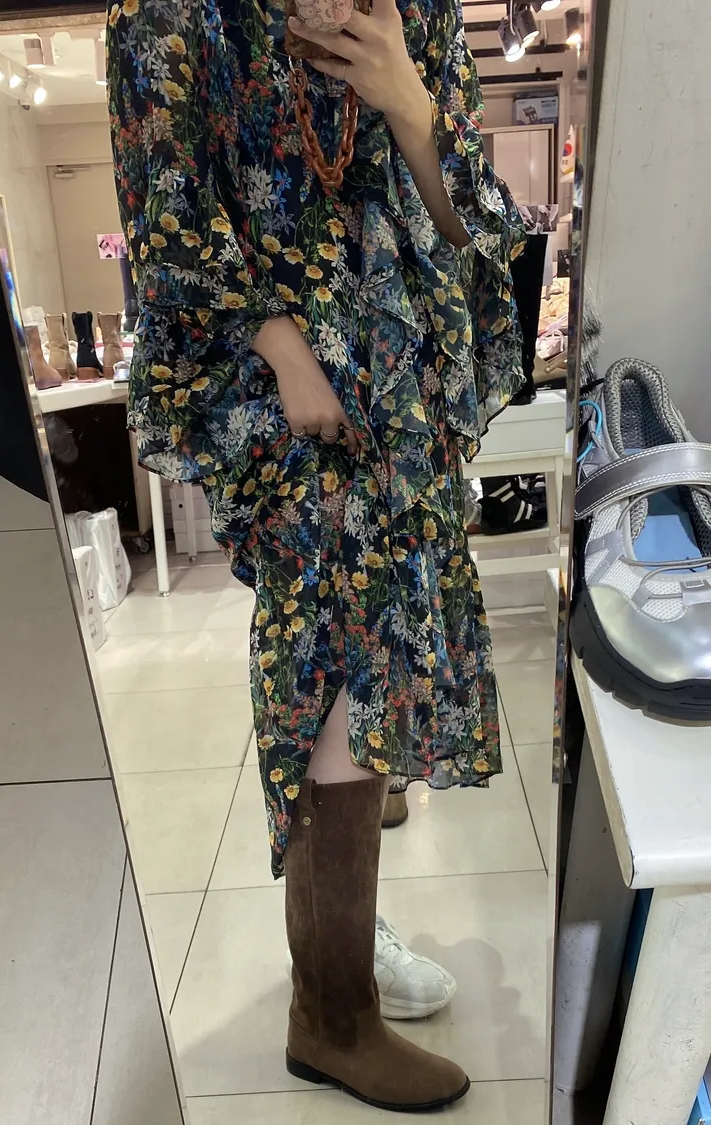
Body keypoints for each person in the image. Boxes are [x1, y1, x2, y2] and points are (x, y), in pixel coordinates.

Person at [108, 0, 523, 1111]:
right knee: (328, 668)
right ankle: (332, 1014)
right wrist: (287, 353)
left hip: (401, 389)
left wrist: (409, 103)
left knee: (376, 661)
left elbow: (469, 226)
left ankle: (339, 984)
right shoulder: (174, 18)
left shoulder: (415, 14)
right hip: (284, 407)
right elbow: (167, 217)